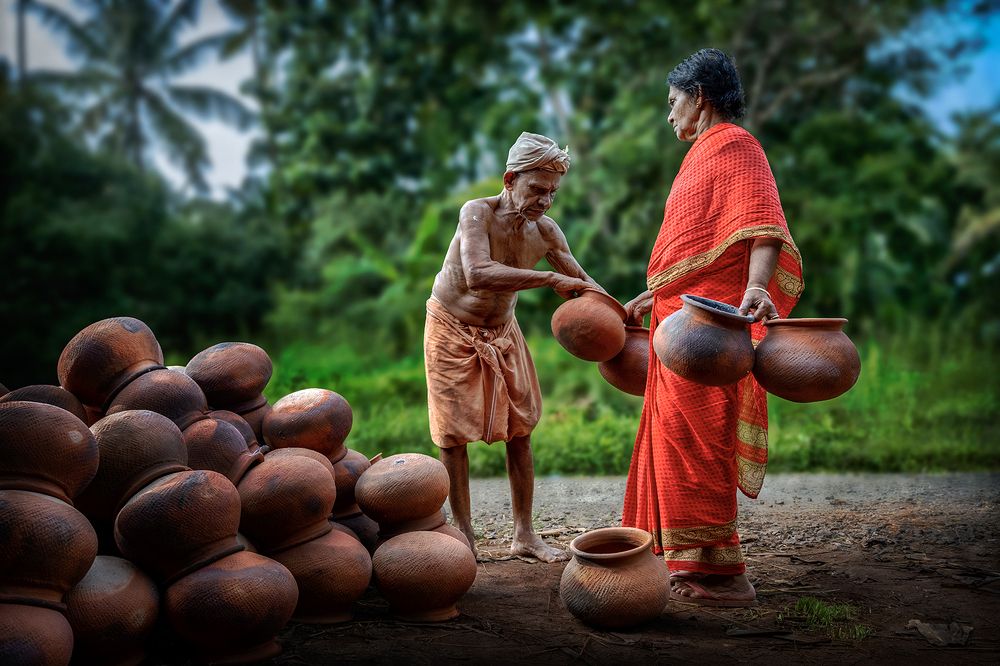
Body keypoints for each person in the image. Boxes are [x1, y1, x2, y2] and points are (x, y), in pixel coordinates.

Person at [622, 48, 804, 606]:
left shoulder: (735, 146)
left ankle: (721, 575)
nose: (669, 114)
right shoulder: (701, 154)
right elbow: (702, 253)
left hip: (711, 330)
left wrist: (754, 290)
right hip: (678, 321)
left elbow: (763, 227)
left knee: (700, 445)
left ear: (700, 97)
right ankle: (676, 561)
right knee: (675, 441)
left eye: (673, 102)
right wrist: (657, 293)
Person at [425, 132, 604, 562]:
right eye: (538, 189)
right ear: (510, 179)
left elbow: (581, 284)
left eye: (553, 193)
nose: (545, 201)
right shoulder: (476, 213)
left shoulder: (545, 231)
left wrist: (623, 312)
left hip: (503, 331)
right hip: (451, 329)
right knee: (451, 437)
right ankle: (464, 536)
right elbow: (477, 273)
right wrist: (547, 279)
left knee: (521, 429)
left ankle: (525, 534)